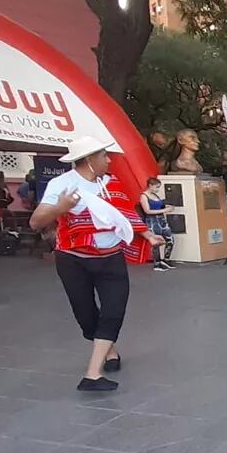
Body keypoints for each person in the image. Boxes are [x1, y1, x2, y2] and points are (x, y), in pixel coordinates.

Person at [29, 137, 165, 392]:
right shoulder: (62, 185)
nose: (109, 160)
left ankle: (92, 374)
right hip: (73, 260)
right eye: (104, 156)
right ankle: (109, 352)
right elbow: (36, 223)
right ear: (90, 159)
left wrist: (147, 234)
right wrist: (61, 207)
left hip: (111, 258)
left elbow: (126, 214)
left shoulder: (111, 183)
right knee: (86, 316)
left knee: (113, 310)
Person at [139, 178, 175, 271]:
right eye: (156, 187)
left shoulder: (155, 195)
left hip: (161, 220)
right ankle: (157, 263)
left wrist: (166, 207)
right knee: (156, 242)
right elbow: (147, 210)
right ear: (150, 186)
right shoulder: (144, 196)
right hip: (152, 221)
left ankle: (166, 259)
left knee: (170, 239)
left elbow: (160, 205)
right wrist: (164, 210)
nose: (157, 189)